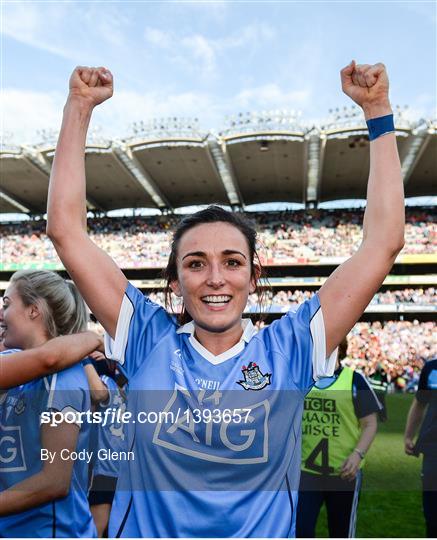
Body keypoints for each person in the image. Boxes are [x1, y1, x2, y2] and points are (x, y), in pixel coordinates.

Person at [46, 61, 404, 537]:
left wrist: (378, 113)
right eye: (195, 264)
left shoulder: (291, 347)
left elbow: (383, 243)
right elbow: (66, 231)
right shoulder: (147, 338)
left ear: (254, 276)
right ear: (175, 281)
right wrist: (78, 108)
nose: (215, 278)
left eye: (232, 262)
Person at [0, 270, 97, 537]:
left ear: (33, 310)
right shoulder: (13, 365)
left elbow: (54, 482)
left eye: (7, 304)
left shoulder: (62, 378)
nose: (1, 313)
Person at [296, 337, 381, 538]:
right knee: (301, 530)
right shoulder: (302, 378)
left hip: (344, 472)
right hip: (306, 471)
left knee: (340, 532)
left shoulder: (355, 380)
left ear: (339, 349)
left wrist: (357, 455)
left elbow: (370, 424)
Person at [84, 357, 127, 537]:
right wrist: (85, 359)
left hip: (130, 474)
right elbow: (98, 393)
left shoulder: (142, 382)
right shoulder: (108, 383)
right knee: (98, 530)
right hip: (107, 471)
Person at [0, 331, 103, 389]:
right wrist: (95, 338)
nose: (1, 314)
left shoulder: (68, 377)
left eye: (7, 305)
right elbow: (48, 358)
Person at [404, 358, 437, 537]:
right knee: (432, 517)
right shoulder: (431, 368)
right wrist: (409, 435)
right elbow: (419, 403)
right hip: (433, 453)